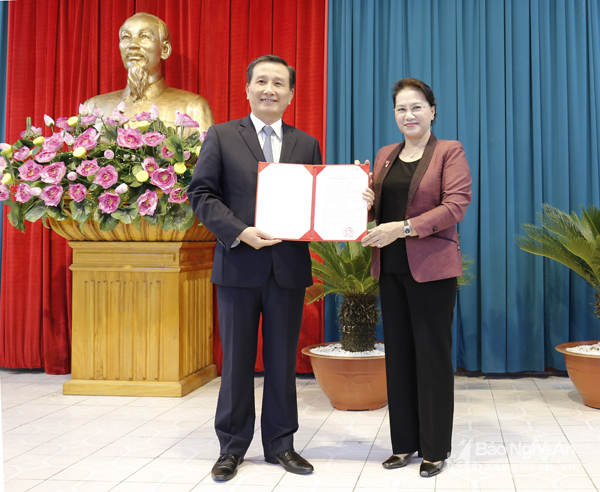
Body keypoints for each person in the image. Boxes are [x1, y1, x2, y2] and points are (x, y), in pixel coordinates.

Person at [187, 55, 321, 482]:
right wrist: (240, 231)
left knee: (282, 364)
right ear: (247, 89)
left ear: (291, 94)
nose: (269, 89)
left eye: (279, 83)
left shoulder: (307, 143)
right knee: (237, 363)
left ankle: (281, 444)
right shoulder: (223, 136)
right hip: (238, 266)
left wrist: (351, 202)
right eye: (261, 81)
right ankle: (231, 448)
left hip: (287, 270)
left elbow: (315, 203)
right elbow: (202, 195)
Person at [361, 78, 472, 477]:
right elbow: (377, 211)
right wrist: (365, 202)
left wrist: (403, 228)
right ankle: (403, 444)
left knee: (432, 358)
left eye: (416, 107)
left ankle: (434, 449)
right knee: (399, 358)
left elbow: (455, 206)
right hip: (390, 269)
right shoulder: (385, 154)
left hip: (431, 271)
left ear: (432, 110)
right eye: (401, 109)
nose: (408, 115)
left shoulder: (448, 151)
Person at [84, 12, 214, 132]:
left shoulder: (193, 109)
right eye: (126, 37)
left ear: (164, 50)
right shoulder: (93, 108)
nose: (132, 45)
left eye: (144, 36)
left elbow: (207, 150)